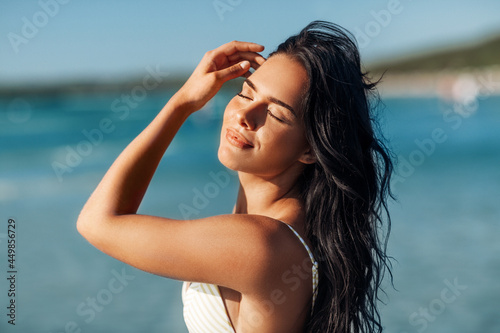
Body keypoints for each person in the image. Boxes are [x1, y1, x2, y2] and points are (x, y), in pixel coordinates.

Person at [77, 21, 393, 333]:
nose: (244, 116)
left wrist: (182, 102)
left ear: (310, 150)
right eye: (245, 93)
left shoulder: (260, 242)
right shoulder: (289, 228)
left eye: (276, 114)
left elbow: (96, 222)